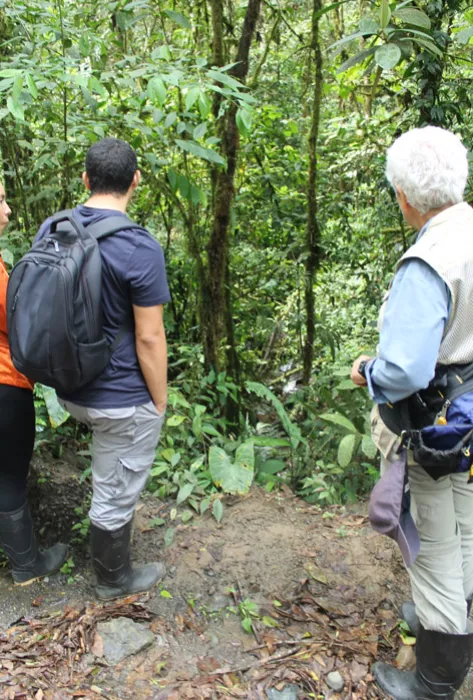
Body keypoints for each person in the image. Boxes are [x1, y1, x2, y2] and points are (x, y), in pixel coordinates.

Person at [351, 126, 473, 699]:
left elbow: (403, 371)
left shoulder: (428, 261)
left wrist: (367, 371)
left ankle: (436, 677)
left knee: (432, 542)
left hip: (436, 424)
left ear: (404, 195)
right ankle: (457, 620)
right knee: (467, 526)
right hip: (469, 418)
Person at [36, 138, 170, 600]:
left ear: (85, 180)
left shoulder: (52, 228)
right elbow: (150, 337)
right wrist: (159, 400)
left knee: (110, 468)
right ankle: (113, 580)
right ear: (135, 181)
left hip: (67, 390)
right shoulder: (139, 246)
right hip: (119, 400)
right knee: (114, 488)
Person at [0, 183, 67, 584]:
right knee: (8, 475)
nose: (7, 211)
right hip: (5, 383)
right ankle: (28, 565)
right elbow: (15, 322)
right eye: (0, 201)